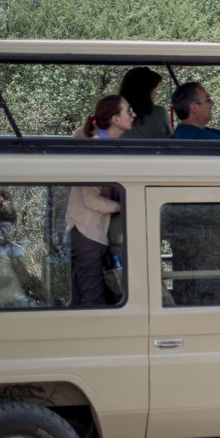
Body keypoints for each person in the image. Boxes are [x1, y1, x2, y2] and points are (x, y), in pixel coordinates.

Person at [67, 95, 131, 306]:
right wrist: (124, 206)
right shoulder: (97, 149)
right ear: (115, 119)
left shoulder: (103, 145)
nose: (134, 115)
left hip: (89, 233)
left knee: (84, 296)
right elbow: (91, 199)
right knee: (92, 299)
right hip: (87, 232)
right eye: (128, 111)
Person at [118, 66, 172, 139]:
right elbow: (171, 140)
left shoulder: (114, 114)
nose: (156, 94)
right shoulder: (159, 112)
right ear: (146, 92)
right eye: (155, 90)